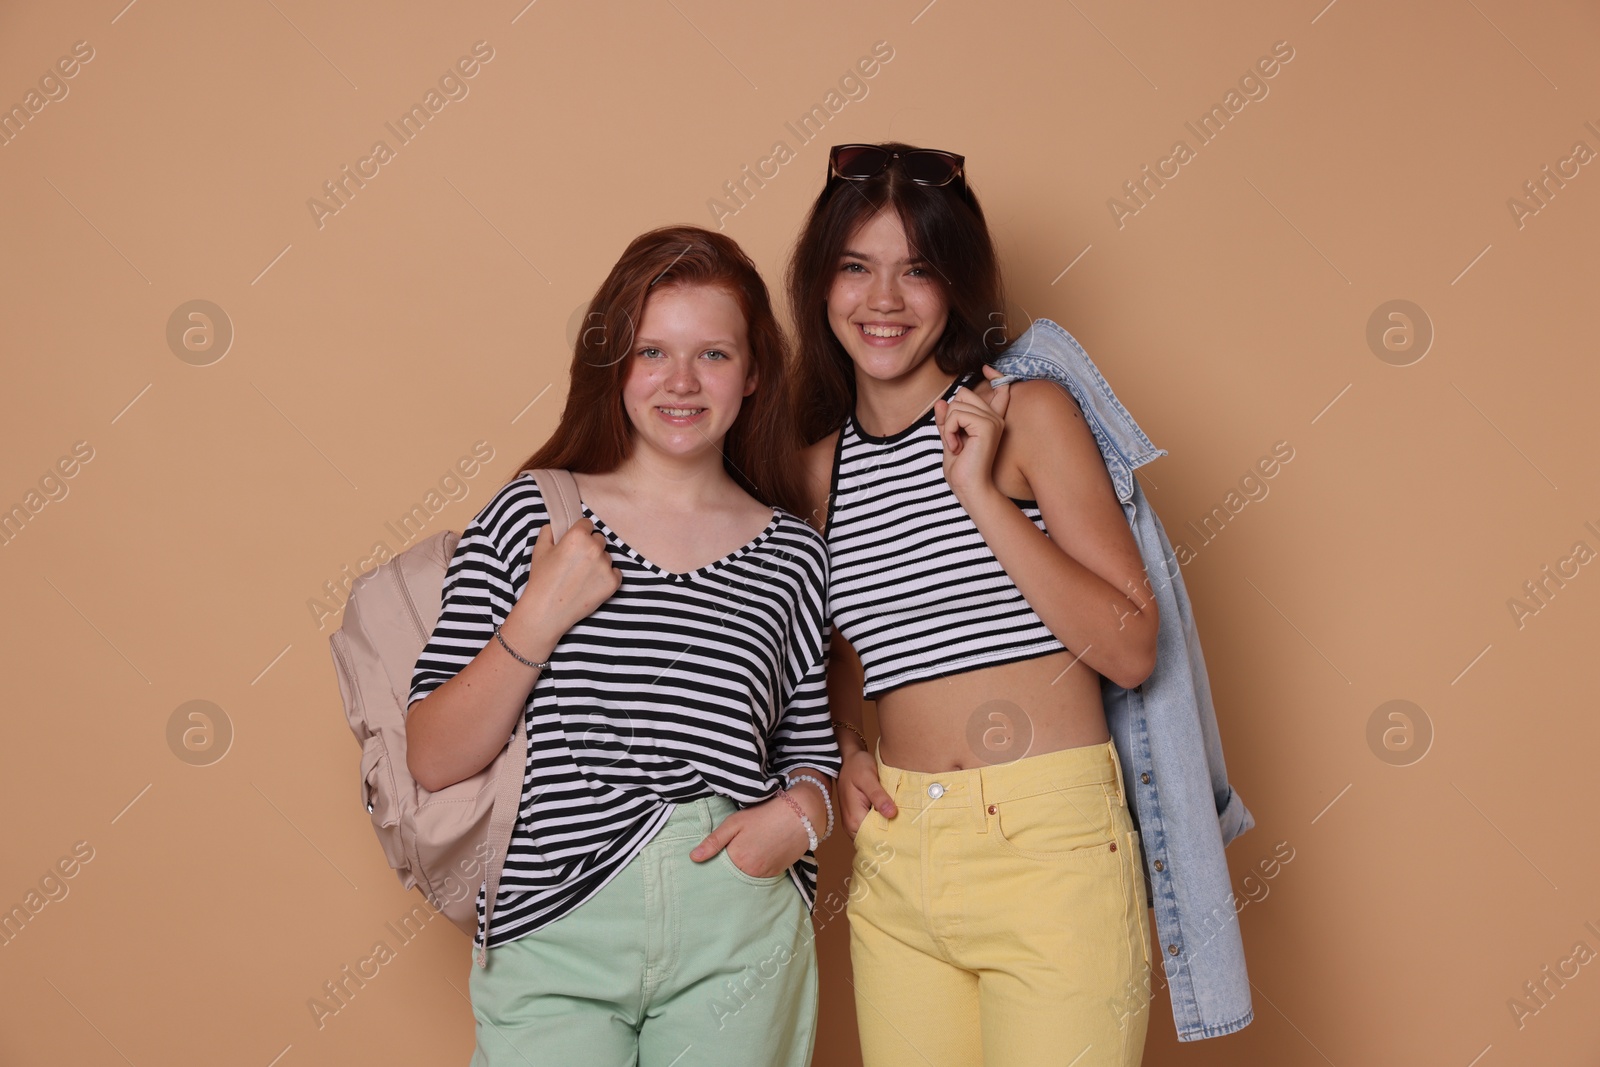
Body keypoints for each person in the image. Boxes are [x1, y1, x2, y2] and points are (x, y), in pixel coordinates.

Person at [405, 225, 841, 1067]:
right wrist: (540, 615)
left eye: (713, 354)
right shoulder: (533, 516)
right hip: (554, 921)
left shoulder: (794, 553)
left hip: (738, 918)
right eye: (652, 351)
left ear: (753, 375)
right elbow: (432, 756)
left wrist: (796, 821)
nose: (681, 381)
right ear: (616, 365)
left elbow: (811, 751)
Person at [790, 144, 1158, 1066]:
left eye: (917, 268)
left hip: (1048, 847)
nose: (884, 299)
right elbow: (831, 642)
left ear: (955, 283)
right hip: (899, 855)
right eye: (856, 267)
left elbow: (1131, 646)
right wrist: (844, 745)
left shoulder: (1025, 415)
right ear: (820, 283)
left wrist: (985, 497)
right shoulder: (816, 469)